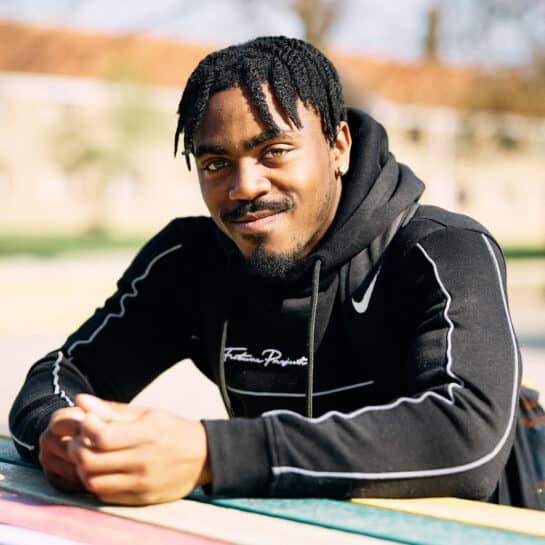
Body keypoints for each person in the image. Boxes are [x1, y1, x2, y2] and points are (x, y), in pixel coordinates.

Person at [9, 36, 522, 507]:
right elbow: (62, 377)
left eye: (273, 152)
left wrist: (213, 455)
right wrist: (62, 429)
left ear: (338, 146)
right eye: (215, 164)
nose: (244, 186)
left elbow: (466, 436)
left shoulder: (439, 249)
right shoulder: (192, 262)